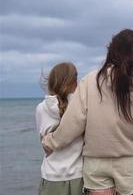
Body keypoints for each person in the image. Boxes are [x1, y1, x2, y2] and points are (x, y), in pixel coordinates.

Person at [42, 29, 133, 195]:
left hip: (95, 163)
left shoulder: (90, 80)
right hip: (128, 163)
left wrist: (51, 142)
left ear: (111, 49)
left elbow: (73, 122)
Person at [35, 62, 83, 195]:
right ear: (74, 81)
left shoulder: (41, 108)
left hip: (51, 176)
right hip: (78, 176)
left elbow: (44, 144)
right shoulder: (81, 107)